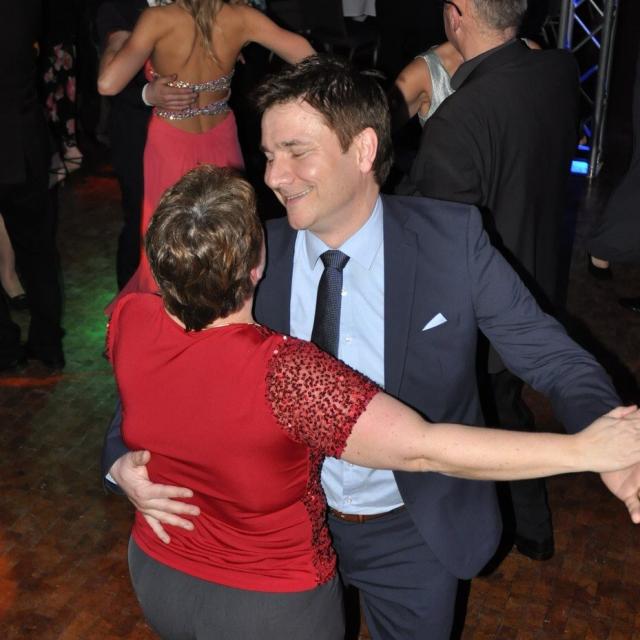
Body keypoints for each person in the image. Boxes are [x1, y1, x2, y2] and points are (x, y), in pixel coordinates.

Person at [103, 57, 640, 640]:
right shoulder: (253, 254)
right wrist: (117, 459)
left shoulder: (450, 242)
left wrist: (612, 440)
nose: (275, 176)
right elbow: (164, 367)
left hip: (412, 531)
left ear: (362, 150)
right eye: (268, 155)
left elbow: (554, 358)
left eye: (296, 151)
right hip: (287, 534)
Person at [398, 0, 581, 562]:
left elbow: (436, 232)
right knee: (503, 403)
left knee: (486, 412)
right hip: (540, 272)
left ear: (455, 15)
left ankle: (492, 531)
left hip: (489, 300)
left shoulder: (461, 118)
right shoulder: (558, 70)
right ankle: (531, 528)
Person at [97, 0, 314, 296]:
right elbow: (310, 58)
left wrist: (115, 45)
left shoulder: (158, 19)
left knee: (170, 244)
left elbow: (107, 83)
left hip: (170, 143)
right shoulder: (242, 17)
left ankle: (172, 321)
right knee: (229, 238)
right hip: (222, 138)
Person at [96, 0, 200, 290]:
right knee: (143, 223)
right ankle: (135, 304)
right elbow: (108, 78)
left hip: (196, 133)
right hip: (138, 136)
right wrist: (146, 94)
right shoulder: (118, 7)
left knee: (198, 220)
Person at [0, 0, 64, 371]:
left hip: (21, 140)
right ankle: (47, 343)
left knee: (37, 251)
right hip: (22, 142)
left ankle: (5, 346)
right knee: (38, 252)